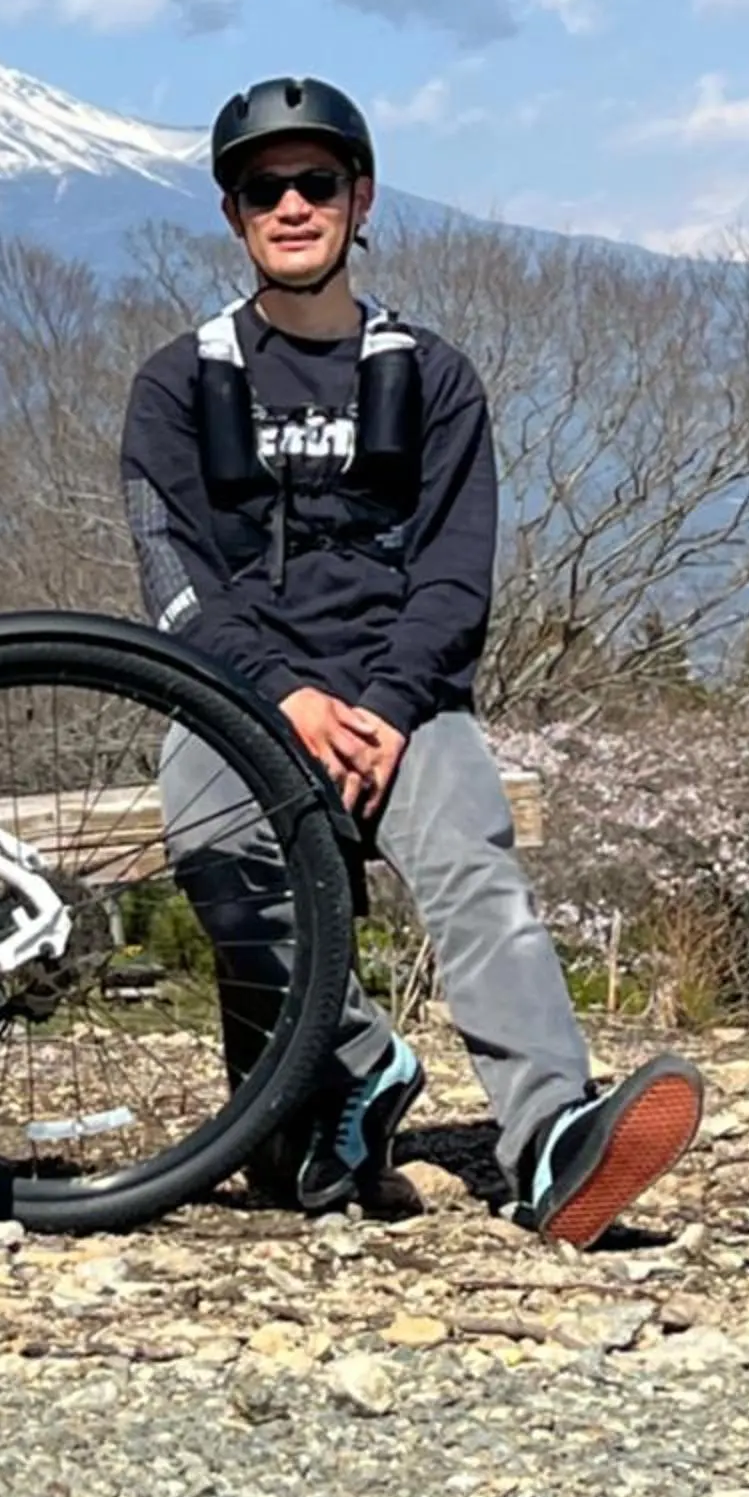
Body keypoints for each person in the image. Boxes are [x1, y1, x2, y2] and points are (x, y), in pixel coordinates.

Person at [120, 73, 702, 1249]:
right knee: (217, 849)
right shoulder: (178, 384)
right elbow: (176, 583)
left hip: (406, 700)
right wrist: (285, 699)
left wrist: (383, 709)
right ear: (235, 215)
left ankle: (550, 1140)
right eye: (263, 188)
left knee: (474, 863)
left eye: (317, 182)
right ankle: (348, 1067)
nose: (292, 205)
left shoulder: (431, 377)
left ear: (360, 196)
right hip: (242, 704)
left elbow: (455, 576)